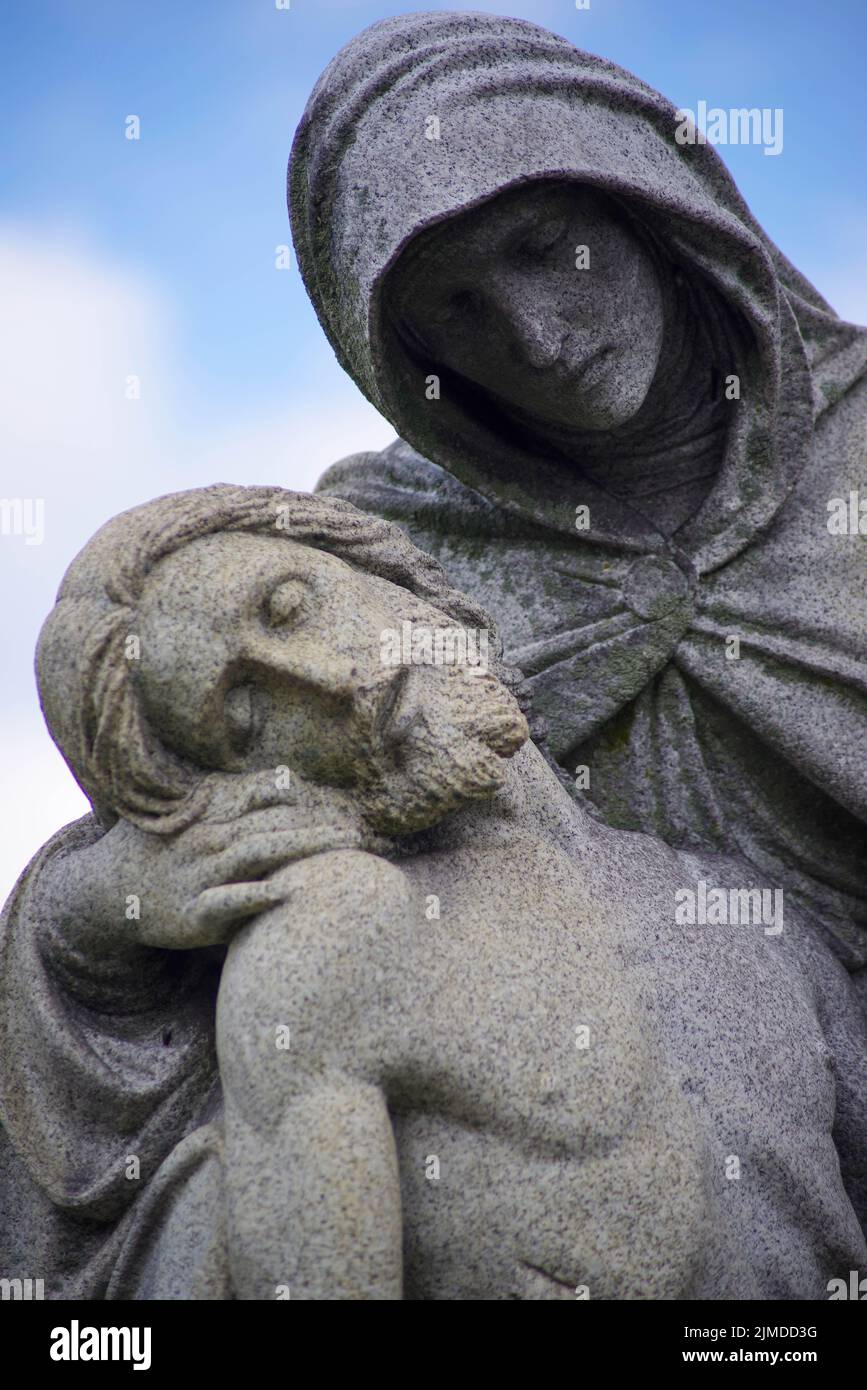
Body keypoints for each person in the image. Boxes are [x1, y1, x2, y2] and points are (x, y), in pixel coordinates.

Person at [2, 486, 865, 1299]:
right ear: (236, 793)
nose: (333, 683)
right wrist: (90, 905)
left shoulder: (757, 925)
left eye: (291, 606)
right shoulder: (339, 943)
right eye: (247, 715)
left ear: (380, 567)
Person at [291, 10, 867, 984]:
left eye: (547, 246)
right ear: (403, 357)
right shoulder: (387, 560)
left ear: (647, 206)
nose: (537, 339)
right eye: (458, 309)